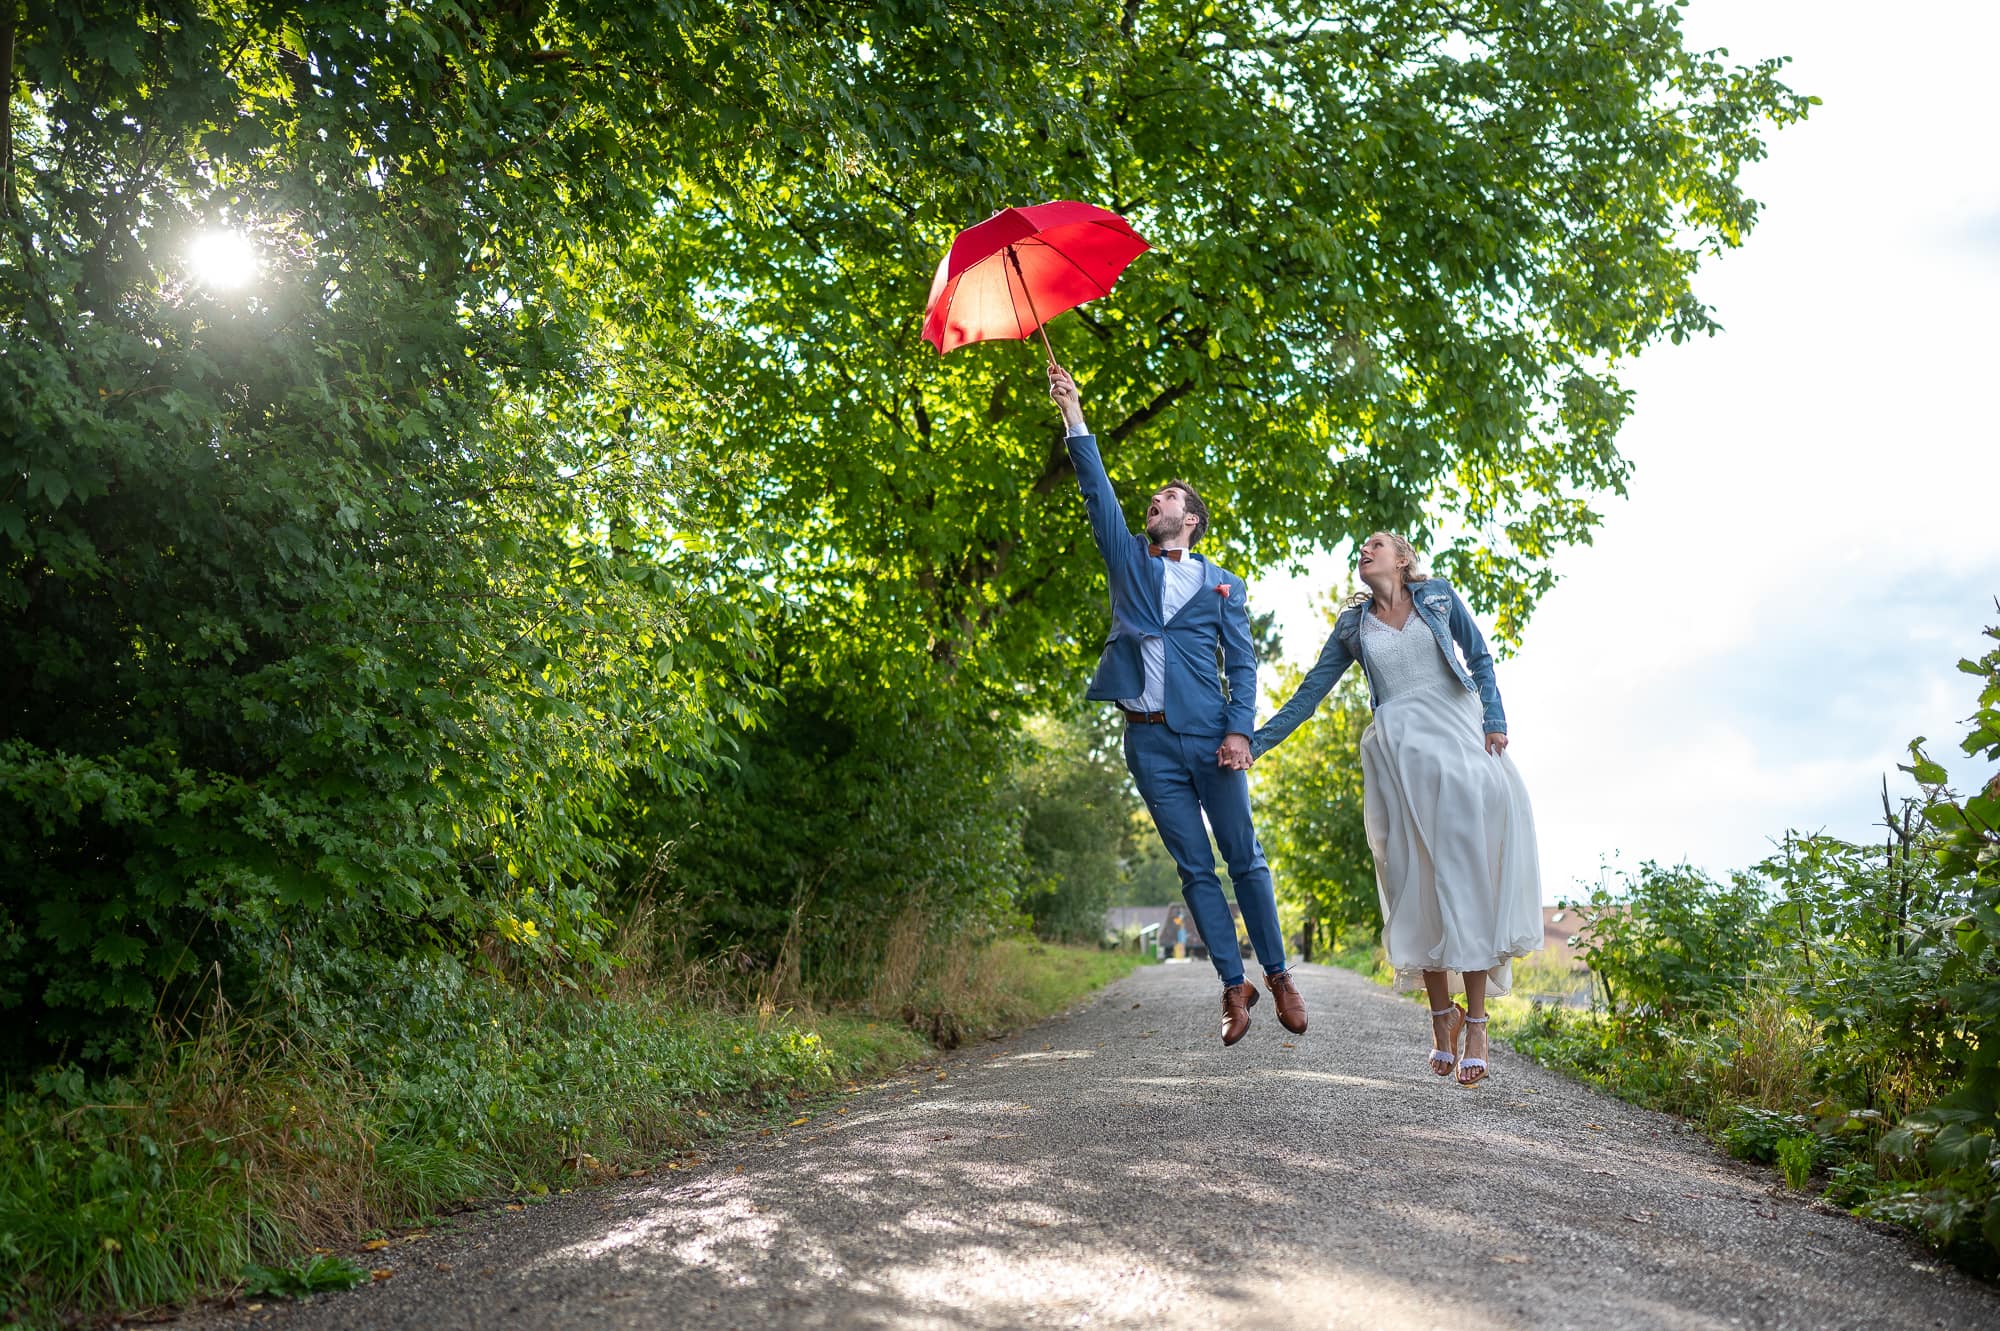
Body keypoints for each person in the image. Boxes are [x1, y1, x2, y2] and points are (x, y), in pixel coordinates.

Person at [1048, 363, 1305, 1046]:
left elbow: (1243, 664)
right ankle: (1233, 985)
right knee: (1195, 868)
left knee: (1243, 857)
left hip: (1211, 739)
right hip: (1149, 742)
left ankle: (1277, 974)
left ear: (1189, 519)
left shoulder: (1223, 584)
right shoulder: (1128, 558)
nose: (1153, 502)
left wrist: (1241, 733)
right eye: (1154, 498)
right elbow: (1097, 489)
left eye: (1167, 497)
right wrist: (1073, 411)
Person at [1253, 533, 1541, 1085]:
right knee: (1416, 878)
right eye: (1361, 547)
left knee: (1467, 874)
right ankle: (1442, 1020)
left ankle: (1477, 1021)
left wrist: (1495, 720)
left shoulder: (1437, 597)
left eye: (1377, 544)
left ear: (1403, 559)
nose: (1366, 550)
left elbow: (1478, 656)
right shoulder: (1353, 627)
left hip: (1456, 734)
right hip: (1400, 754)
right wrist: (1255, 743)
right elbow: (1309, 694)